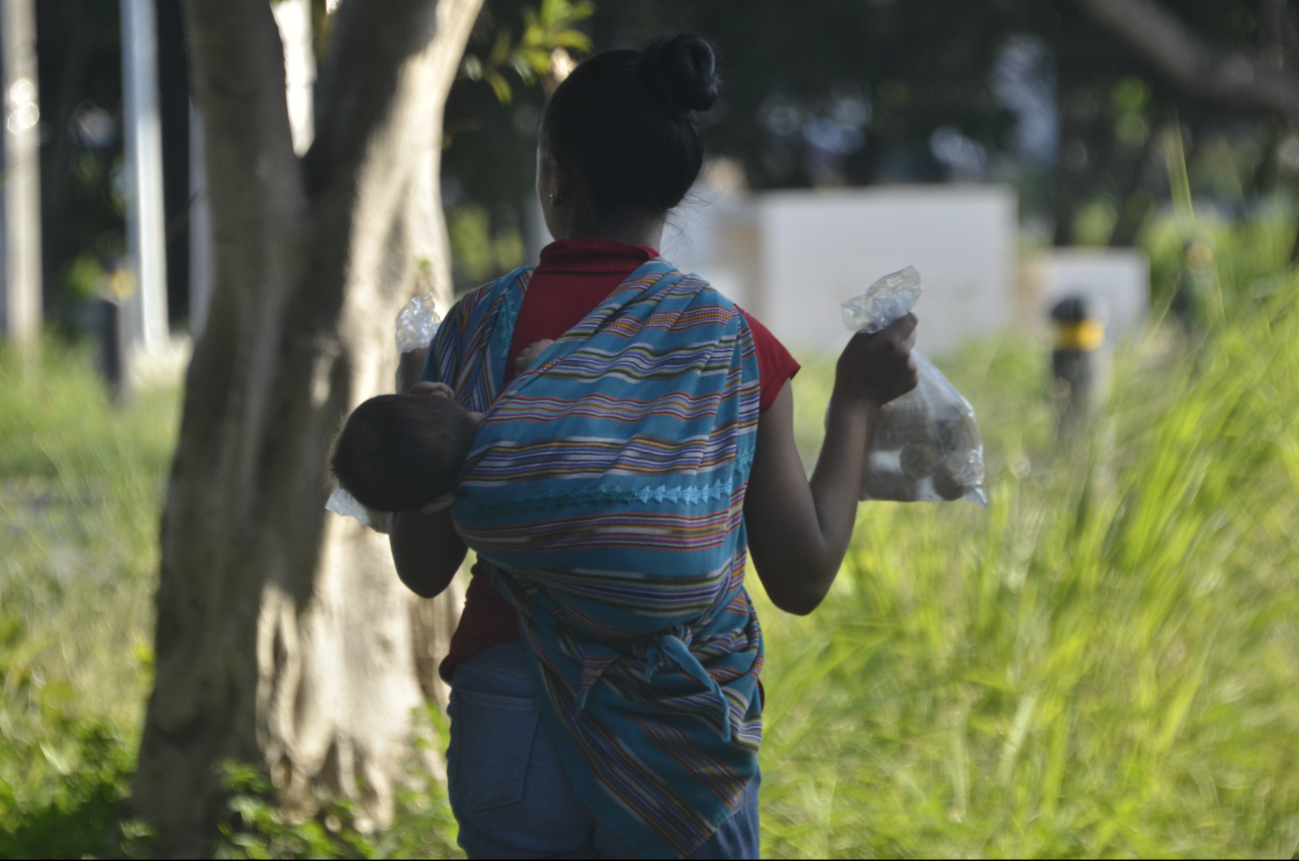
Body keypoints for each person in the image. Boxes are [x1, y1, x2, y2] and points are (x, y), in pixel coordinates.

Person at [389, 34, 918, 860]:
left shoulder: (477, 329)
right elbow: (802, 575)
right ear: (673, 190)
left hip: (513, 699)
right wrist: (855, 399)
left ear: (554, 177)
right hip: (683, 715)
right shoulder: (735, 346)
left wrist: (412, 398)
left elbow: (423, 569)